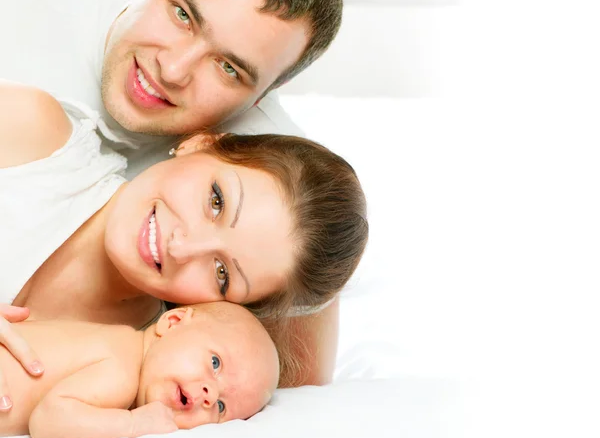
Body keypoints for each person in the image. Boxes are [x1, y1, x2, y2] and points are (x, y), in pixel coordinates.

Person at [0, 0, 346, 400]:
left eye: (230, 69)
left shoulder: (265, 168)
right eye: (182, 14)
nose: (175, 69)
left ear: (264, 95)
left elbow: (298, 386)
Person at [0, 82, 368, 410]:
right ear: (201, 143)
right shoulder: (33, 137)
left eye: (222, 273)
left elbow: (310, 399)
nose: (182, 247)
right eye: (216, 201)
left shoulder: (158, 373)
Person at [0, 301, 279, 438]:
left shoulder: (117, 342)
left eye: (221, 407)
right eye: (215, 363)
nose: (210, 394)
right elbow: (48, 420)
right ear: (173, 322)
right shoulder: (123, 367)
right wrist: (132, 425)